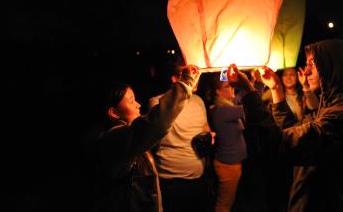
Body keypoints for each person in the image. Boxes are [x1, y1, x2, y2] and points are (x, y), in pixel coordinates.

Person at [228, 38, 343, 212]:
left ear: (333, 67)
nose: (307, 71)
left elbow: (279, 144)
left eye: (314, 63)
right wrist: (276, 89)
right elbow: (293, 130)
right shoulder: (331, 107)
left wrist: (249, 95)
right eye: (306, 63)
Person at [91, 65, 200, 212]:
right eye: (131, 101)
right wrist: (185, 83)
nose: (138, 105)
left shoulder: (126, 137)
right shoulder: (114, 139)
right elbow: (155, 124)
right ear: (114, 113)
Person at [148, 60, 213, 212]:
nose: (196, 77)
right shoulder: (157, 103)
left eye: (196, 73)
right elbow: (152, 139)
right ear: (175, 79)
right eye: (190, 73)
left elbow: (205, 127)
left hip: (199, 177)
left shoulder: (198, 101)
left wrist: (209, 135)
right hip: (171, 181)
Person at [196, 72, 247, 212]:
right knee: (224, 205)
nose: (232, 88)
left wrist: (227, 74)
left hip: (231, 164)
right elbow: (249, 106)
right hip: (228, 166)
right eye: (228, 86)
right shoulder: (220, 111)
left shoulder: (227, 107)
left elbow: (240, 97)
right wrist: (248, 84)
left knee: (228, 202)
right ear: (218, 91)